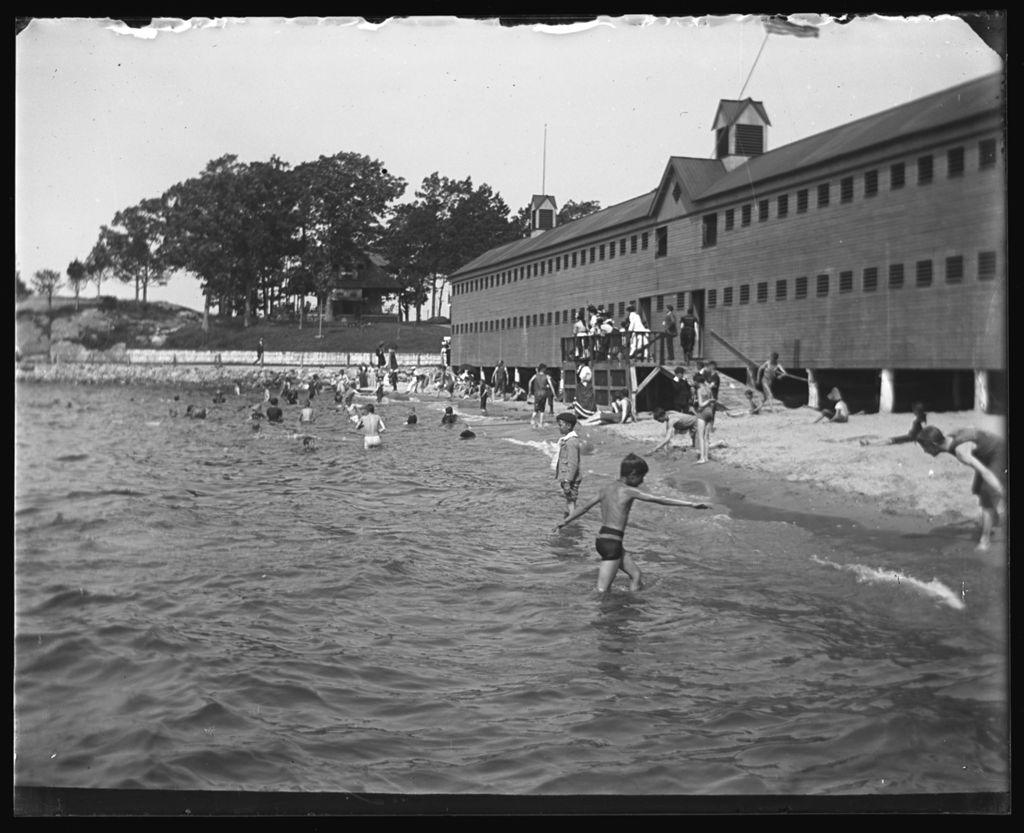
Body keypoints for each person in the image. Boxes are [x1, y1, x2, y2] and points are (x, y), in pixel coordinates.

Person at [554, 453, 709, 592]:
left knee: (636, 575)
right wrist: (690, 504)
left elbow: (584, 507)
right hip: (612, 544)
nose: (642, 481)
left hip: (603, 540)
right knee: (601, 591)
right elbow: (658, 499)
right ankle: (600, 613)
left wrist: (565, 522)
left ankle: (631, 603)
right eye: (642, 477)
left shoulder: (606, 489)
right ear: (633, 475)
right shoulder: (629, 491)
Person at [916, 425, 1006, 551]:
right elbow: (970, 428)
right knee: (978, 489)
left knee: (987, 494)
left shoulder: (961, 452)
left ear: (934, 444)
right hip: (987, 455)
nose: (925, 452)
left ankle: (985, 541)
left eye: (925, 448)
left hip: (999, 453)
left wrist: (1001, 491)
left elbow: (985, 472)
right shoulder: (950, 436)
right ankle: (993, 522)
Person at [554, 412, 582, 518]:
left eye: (560, 425)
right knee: (569, 499)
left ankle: (571, 520)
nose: (559, 427)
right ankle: (569, 518)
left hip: (571, 478)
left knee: (571, 500)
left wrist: (567, 480)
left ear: (569, 426)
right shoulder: (567, 440)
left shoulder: (571, 442)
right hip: (568, 477)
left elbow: (573, 463)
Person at [528, 364, 556, 429]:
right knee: (542, 409)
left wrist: (529, 391)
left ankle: (532, 419)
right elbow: (551, 385)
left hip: (537, 393)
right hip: (544, 393)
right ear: (543, 369)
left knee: (536, 408)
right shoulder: (546, 376)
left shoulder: (535, 375)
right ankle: (540, 422)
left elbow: (530, 381)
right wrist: (554, 394)